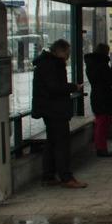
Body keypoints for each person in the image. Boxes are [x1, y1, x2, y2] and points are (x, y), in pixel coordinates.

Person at [31, 39, 87, 188]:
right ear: (59, 51)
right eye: (67, 53)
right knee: (62, 144)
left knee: (51, 142)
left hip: (49, 109)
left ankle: (48, 176)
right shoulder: (52, 65)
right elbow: (55, 87)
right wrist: (73, 87)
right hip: (55, 110)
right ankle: (66, 177)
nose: (68, 56)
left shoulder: (46, 63)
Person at [84, 43, 112, 157]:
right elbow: (111, 79)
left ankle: (100, 146)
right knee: (103, 123)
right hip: (104, 96)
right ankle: (101, 148)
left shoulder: (91, 64)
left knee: (100, 122)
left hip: (96, 96)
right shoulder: (102, 64)